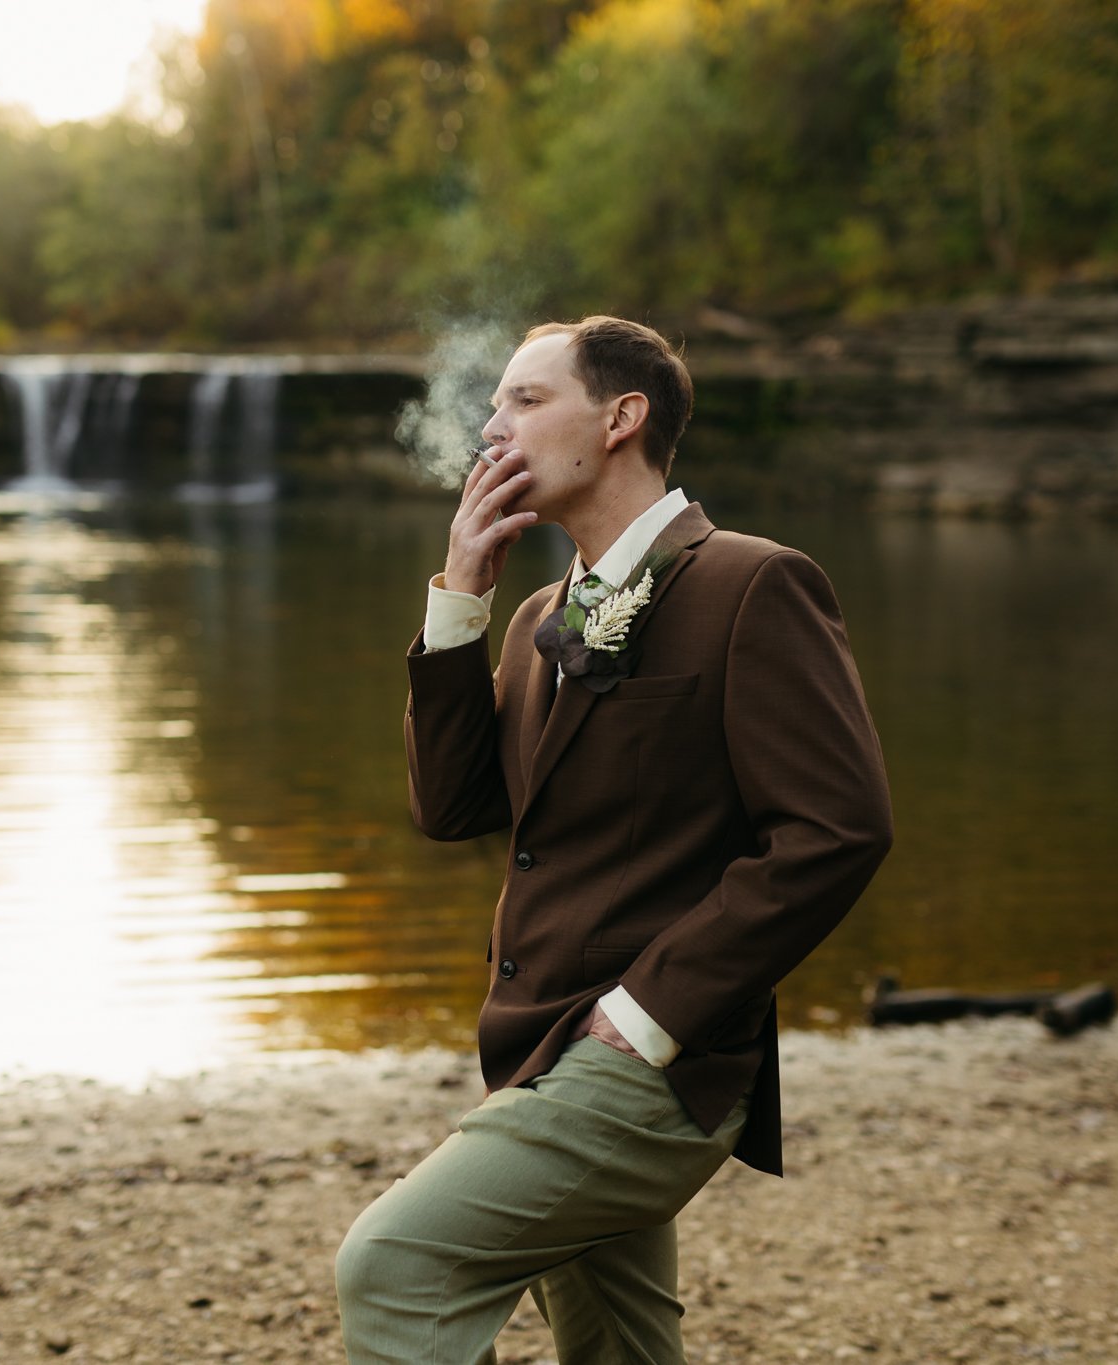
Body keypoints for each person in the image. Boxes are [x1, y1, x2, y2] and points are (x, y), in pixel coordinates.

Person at [336, 316, 893, 1365]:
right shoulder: (541, 615)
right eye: (492, 404)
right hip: (535, 1045)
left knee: (394, 1265)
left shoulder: (751, 583)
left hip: (646, 1057)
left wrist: (645, 1016)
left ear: (621, 417)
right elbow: (451, 809)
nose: (490, 428)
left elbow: (835, 829)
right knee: (618, 1350)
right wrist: (459, 597)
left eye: (524, 401)